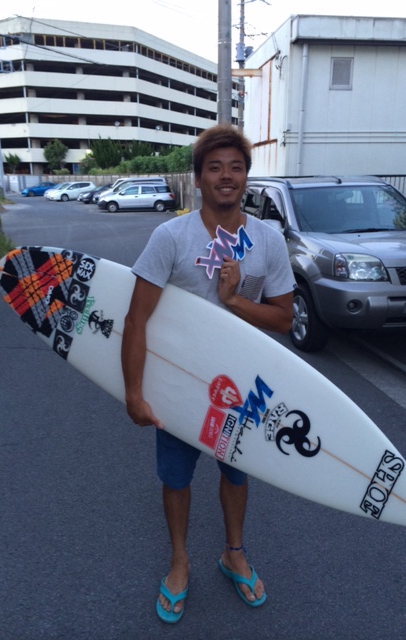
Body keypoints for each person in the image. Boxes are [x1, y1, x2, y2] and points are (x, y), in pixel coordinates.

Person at [121, 124, 295, 624]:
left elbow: (284, 318)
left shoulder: (267, 241)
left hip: (240, 383)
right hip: (177, 381)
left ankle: (233, 553)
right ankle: (179, 560)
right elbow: (136, 319)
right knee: (176, 478)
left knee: (236, 472)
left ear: (246, 178)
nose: (226, 176)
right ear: (197, 179)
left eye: (236, 168)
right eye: (215, 168)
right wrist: (134, 392)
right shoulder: (170, 237)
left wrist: (235, 301)